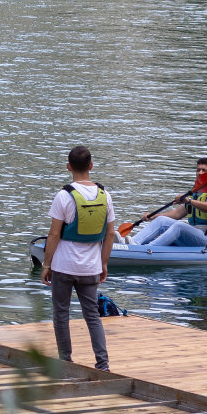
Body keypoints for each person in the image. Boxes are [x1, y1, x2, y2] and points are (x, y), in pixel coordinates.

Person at [40, 145, 116, 371]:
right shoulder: (105, 195)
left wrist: (46, 264)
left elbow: (54, 234)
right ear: (91, 166)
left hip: (64, 266)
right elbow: (110, 233)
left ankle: (65, 360)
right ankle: (102, 363)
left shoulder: (64, 195)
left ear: (68, 167)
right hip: (90, 267)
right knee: (92, 315)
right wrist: (103, 262)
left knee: (61, 314)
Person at [132, 159, 207, 248]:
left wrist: (188, 200)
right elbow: (176, 214)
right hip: (193, 236)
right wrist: (154, 216)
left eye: (204, 170)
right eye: (198, 170)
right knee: (161, 220)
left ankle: (149, 248)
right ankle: (133, 243)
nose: (200, 173)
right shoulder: (196, 193)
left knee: (179, 226)